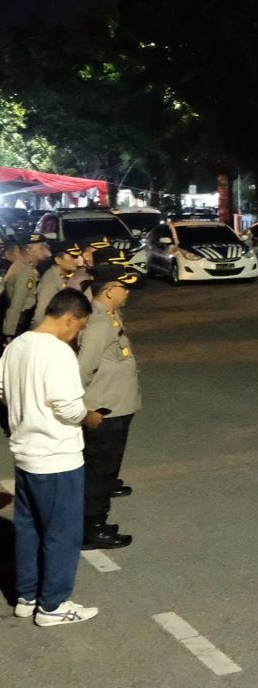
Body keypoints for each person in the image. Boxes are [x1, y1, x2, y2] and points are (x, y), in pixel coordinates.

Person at [1, 288, 104, 626]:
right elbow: (68, 405)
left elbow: (3, 393)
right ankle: (53, 606)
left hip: (26, 455)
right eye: (80, 327)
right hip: (57, 458)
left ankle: (26, 597)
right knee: (62, 534)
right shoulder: (57, 353)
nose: (78, 335)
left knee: (28, 529)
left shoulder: (15, 346)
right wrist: (89, 416)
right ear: (69, 318)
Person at [78, 266, 140, 550]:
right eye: (123, 287)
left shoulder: (110, 318)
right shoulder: (100, 324)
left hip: (114, 406)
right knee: (100, 473)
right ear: (109, 291)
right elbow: (82, 369)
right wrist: (85, 407)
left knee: (103, 472)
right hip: (106, 410)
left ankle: (94, 523)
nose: (127, 292)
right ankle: (93, 529)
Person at [3, 233, 46, 344]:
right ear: (29, 250)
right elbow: (17, 302)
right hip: (20, 323)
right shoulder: (25, 269)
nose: (45, 250)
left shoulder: (27, 266)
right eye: (41, 247)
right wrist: (9, 332)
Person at [34, 242, 84, 320]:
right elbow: (40, 313)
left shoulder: (62, 276)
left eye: (76, 257)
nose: (76, 260)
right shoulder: (51, 281)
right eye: (71, 257)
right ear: (58, 260)